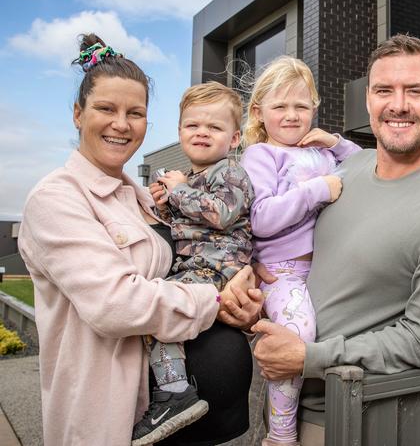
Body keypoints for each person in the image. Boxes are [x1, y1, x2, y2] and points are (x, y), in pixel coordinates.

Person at [250, 34, 420, 444]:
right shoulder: (344, 169)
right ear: (368, 99)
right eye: (385, 90)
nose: (398, 104)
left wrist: (307, 358)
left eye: (415, 91)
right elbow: (282, 233)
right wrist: (255, 278)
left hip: (350, 421)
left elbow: (419, 342)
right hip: (277, 403)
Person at [17, 34, 262, 446]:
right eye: (105, 109)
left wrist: (245, 299)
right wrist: (218, 302)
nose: (121, 123)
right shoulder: (56, 199)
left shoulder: (146, 198)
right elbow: (117, 304)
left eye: (136, 112)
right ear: (78, 114)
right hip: (118, 416)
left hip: (200, 423)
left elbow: (209, 248)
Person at [239, 56, 361, 446]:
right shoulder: (261, 155)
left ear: (314, 107)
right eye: (280, 106)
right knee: (298, 333)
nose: (291, 115)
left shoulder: (322, 152)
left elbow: (366, 166)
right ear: (259, 112)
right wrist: (316, 190)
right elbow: (260, 218)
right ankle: (281, 435)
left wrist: (335, 142)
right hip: (284, 271)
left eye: (301, 105)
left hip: (327, 269)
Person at [132, 81, 255, 445]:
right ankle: (173, 388)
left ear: (233, 139)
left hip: (218, 269)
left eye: (214, 127)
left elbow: (222, 214)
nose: (202, 132)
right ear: (180, 131)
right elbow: (184, 226)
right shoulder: (193, 177)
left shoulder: (231, 173)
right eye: (192, 125)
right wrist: (164, 204)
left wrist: (180, 190)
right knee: (158, 314)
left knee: (161, 309)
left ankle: (173, 393)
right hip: (195, 268)